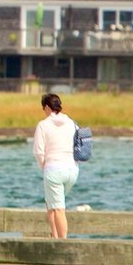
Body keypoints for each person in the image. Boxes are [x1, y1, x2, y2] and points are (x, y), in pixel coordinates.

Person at [32, 91, 80, 239]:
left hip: (53, 170)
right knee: (52, 203)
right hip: (72, 170)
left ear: (47, 107)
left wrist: (44, 165)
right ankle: (54, 235)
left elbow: (38, 152)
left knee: (58, 208)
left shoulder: (43, 125)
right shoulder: (72, 123)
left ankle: (63, 242)